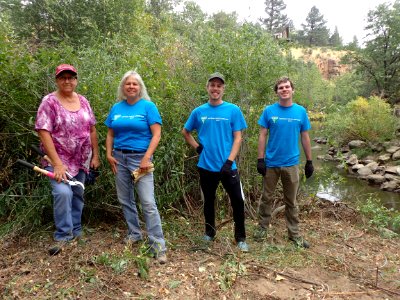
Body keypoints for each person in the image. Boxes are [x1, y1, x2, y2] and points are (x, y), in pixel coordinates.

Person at [35, 64, 100, 255]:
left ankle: (76, 230)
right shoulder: (50, 102)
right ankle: (63, 235)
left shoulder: (83, 100)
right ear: (57, 80)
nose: (67, 81)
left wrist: (95, 155)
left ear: (76, 80)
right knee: (63, 193)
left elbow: (92, 129)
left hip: (80, 158)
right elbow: (43, 131)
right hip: (58, 159)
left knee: (77, 192)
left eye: (71, 77)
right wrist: (56, 163)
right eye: (63, 77)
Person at [105, 70, 167, 264]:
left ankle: (157, 245)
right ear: (123, 87)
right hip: (119, 158)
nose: (131, 86)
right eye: (128, 84)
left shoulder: (148, 107)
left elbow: (156, 134)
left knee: (148, 202)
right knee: (125, 199)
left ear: (140, 88)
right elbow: (110, 134)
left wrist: (146, 158)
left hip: (141, 159)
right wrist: (108, 154)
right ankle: (134, 233)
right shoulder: (116, 107)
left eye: (135, 84)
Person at [182, 72, 249, 252]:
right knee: (209, 201)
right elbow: (185, 132)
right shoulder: (198, 111)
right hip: (206, 166)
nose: (215, 89)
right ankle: (209, 233)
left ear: (223, 89)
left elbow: (237, 138)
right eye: (212, 85)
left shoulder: (233, 110)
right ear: (207, 88)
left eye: (219, 86)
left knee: (237, 201)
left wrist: (229, 161)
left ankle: (241, 238)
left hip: (228, 166)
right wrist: (197, 147)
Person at [255, 76, 314, 248]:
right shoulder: (269, 111)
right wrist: (260, 159)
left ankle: (294, 234)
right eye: (280, 87)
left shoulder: (300, 112)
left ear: (292, 90)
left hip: (291, 164)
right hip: (271, 163)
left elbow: (305, 136)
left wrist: (309, 161)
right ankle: (262, 228)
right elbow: (262, 135)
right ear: (277, 92)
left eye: (287, 87)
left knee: (291, 201)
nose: (284, 89)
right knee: (266, 198)